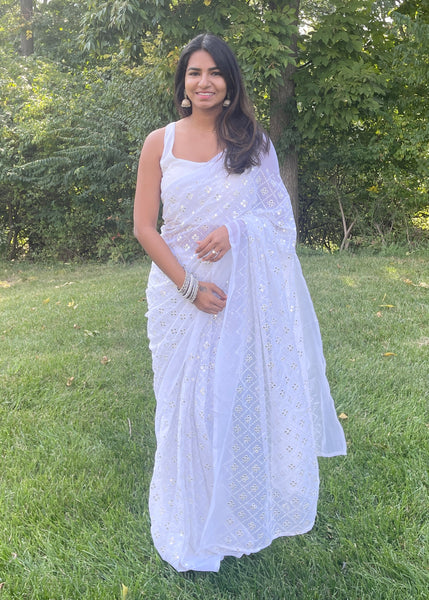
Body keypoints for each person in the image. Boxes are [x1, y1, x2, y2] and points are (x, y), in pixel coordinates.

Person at [133, 33, 347, 573]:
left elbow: (279, 220)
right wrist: (188, 287)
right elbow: (144, 227)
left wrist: (236, 230)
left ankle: (231, 516)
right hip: (177, 297)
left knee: (226, 404)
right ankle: (190, 524)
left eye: (215, 72)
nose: (204, 82)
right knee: (184, 410)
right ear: (183, 83)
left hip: (237, 296)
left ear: (230, 82)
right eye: (194, 72)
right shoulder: (160, 142)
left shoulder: (253, 144)